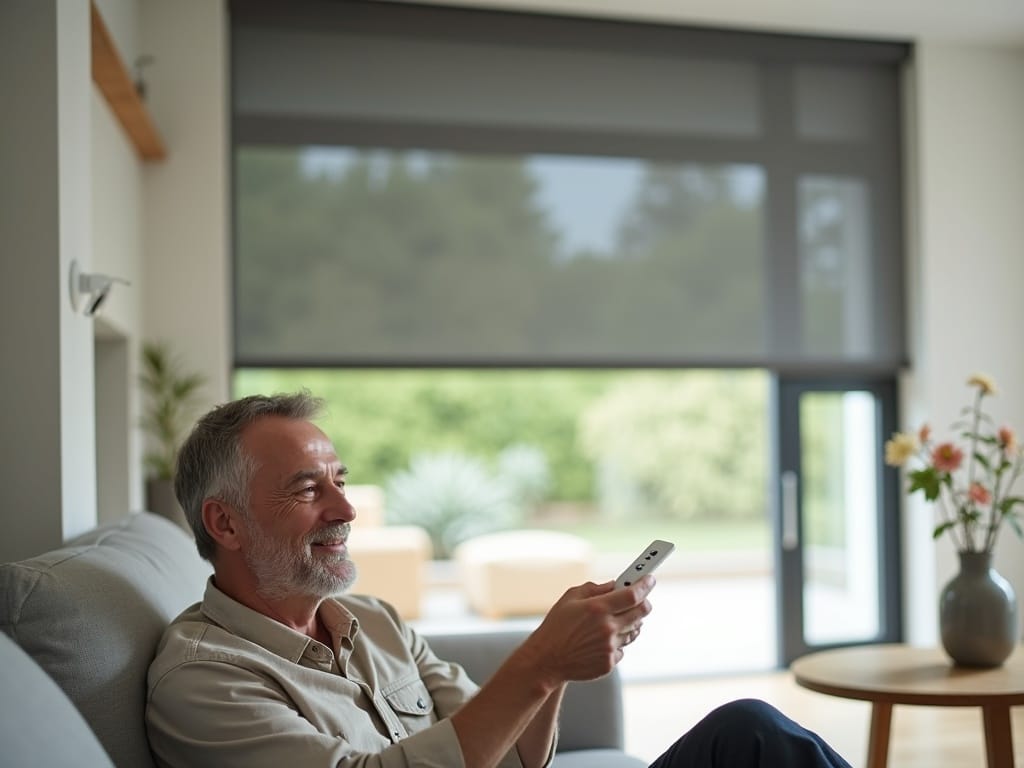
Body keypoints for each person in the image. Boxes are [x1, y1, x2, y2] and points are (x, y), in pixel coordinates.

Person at [146, 392, 852, 768]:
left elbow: (514, 757)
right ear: (227, 524)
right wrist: (541, 660)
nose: (346, 509)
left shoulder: (375, 622)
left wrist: (556, 661)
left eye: (341, 482)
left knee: (749, 733)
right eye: (308, 490)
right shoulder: (205, 679)